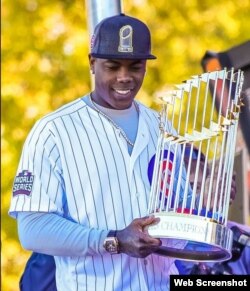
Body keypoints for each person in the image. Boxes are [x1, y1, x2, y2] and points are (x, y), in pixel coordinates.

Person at [9, 14, 190, 291]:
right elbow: (32, 229)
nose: (124, 77)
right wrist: (114, 240)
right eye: (113, 66)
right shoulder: (53, 130)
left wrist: (205, 204)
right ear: (92, 63)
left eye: (135, 66)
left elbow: (181, 212)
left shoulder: (163, 126)